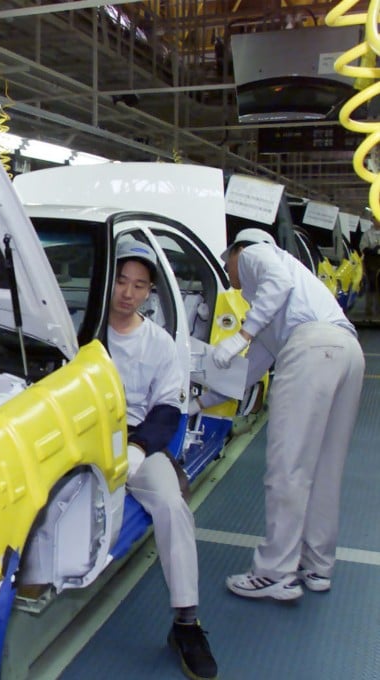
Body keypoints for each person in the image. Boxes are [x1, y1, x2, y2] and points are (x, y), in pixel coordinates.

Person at [202, 227, 364, 600]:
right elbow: (249, 372)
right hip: (346, 350)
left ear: (236, 251)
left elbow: (274, 285)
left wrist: (240, 335)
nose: (229, 277)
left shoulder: (257, 253)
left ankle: (275, 572)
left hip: (311, 349)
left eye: (227, 266)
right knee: (325, 467)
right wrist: (200, 402)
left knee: (287, 466)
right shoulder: (277, 304)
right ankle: (317, 566)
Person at [108, 241, 218, 680]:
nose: (127, 293)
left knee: (173, 505)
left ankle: (186, 624)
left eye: (138, 285)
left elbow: (168, 409)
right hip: (81, 437)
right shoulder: (80, 332)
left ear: (149, 292)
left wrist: (137, 447)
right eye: (120, 281)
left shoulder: (159, 344)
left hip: (138, 443)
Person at [360, 218, 380, 319]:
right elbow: (363, 246)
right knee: (372, 284)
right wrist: (371, 251)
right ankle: (369, 309)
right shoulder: (367, 234)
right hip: (371, 262)